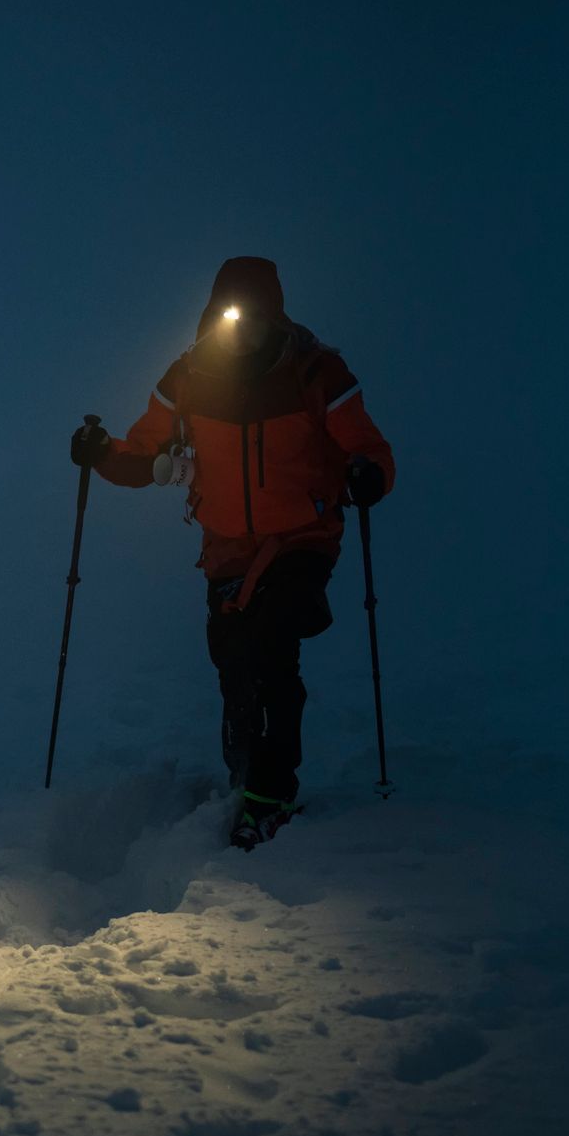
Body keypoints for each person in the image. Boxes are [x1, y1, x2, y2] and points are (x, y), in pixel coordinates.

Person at [68, 256, 395, 850]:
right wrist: (99, 451)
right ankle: (244, 775)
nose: (237, 328)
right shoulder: (189, 377)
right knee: (232, 663)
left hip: (303, 537)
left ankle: (270, 798)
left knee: (273, 651)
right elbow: (145, 455)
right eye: (225, 316)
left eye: (249, 316)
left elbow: (366, 448)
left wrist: (368, 473)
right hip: (226, 551)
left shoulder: (315, 372)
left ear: (274, 315)